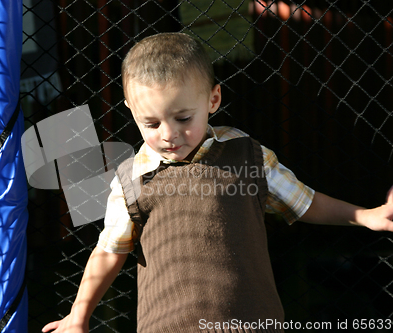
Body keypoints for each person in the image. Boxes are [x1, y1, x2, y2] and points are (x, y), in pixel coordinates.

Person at [43, 32, 393, 333]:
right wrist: (79, 313)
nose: (168, 134)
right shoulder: (131, 179)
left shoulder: (246, 155)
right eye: (150, 124)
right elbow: (109, 251)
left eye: (183, 118)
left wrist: (367, 216)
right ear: (131, 112)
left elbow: (303, 201)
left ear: (213, 99)